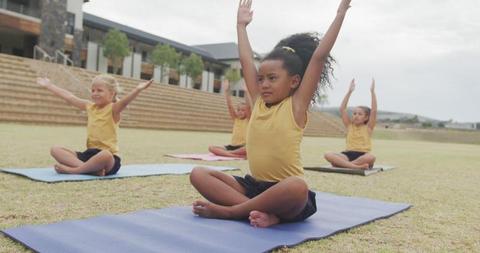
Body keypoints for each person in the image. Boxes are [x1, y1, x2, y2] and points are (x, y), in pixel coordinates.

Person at [190, 0, 352, 227]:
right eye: (261, 79)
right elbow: (246, 60)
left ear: (295, 81)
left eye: (272, 78)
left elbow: (318, 57)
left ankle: (232, 212)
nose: (264, 84)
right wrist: (241, 26)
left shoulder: (296, 106)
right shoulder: (257, 102)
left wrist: (341, 12)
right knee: (198, 173)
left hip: (285, 192)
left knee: (298, 187)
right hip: (252, 186)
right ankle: (261, 212)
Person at [36, 74, 152, 176]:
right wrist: (49, 85)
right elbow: (70, 97)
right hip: (89, 155)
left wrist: (138, 89)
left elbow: (125, 102)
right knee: (55, 150)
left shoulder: (113, 109)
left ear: (112, 94)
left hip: (108, 159)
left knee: (105, 154)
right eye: (93, 90)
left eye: (99, 90)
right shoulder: (90, 107)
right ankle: (91, 170)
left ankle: (74, 171)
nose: (95, 93)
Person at [324, 78, 377, 169]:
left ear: (366, 117)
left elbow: (374, 111)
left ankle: (344, 164)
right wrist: (349, 92)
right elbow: (342, 109)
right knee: (328, 154)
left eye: (360, 114)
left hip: (362, 155)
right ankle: (355, 166)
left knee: (371, 157)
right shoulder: (349, 126)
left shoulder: (368, 128)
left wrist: (372, 92)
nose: (356, 116)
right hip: (347, 155)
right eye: (354, 113)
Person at [208, 80, 250, 158]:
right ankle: (232, 154)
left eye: (243, 110)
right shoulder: (236, 119)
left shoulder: (248, 120)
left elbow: (248, 106)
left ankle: (230, 153)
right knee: (211, 148)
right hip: (232, 146)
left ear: (247, 111)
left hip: (243, 146)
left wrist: (246, 92)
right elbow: (230, 106)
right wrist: (227, 91)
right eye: (238, 110)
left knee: (249, 148)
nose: (240, 112)